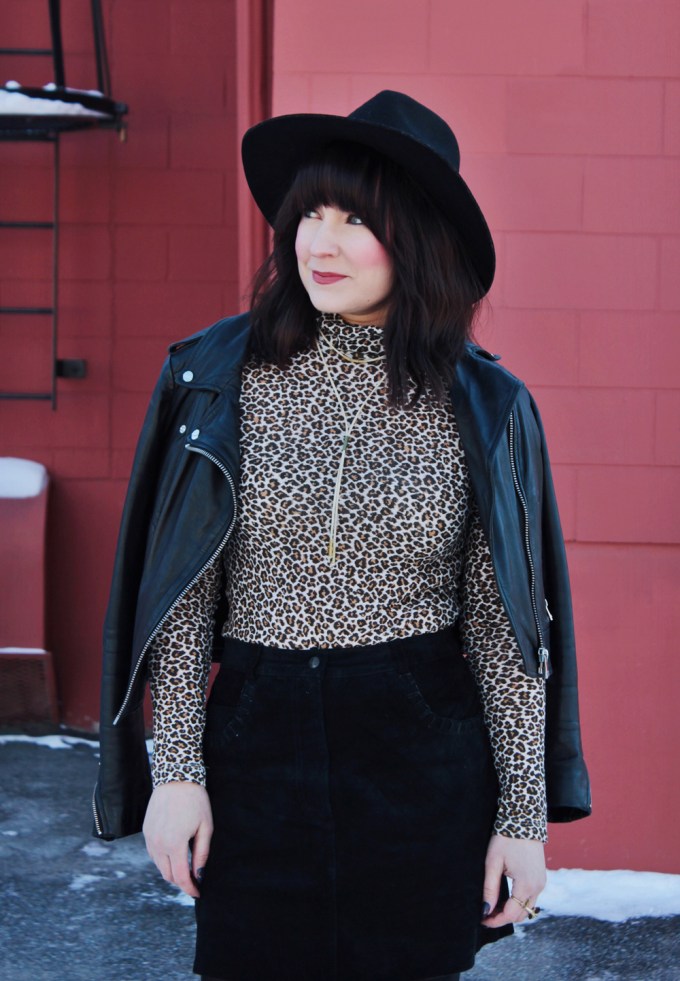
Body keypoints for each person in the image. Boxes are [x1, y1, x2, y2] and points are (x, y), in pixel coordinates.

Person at [92, 91, 591, 981]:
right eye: (310, 214)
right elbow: (185, 597)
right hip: (257, 740)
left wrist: (523, 819)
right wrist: (178, 771)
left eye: (356, 219)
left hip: (420, 751)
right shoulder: (218, 375)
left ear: (419, 238)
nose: (318, 243)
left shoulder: (485, 404)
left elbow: (503, 627)